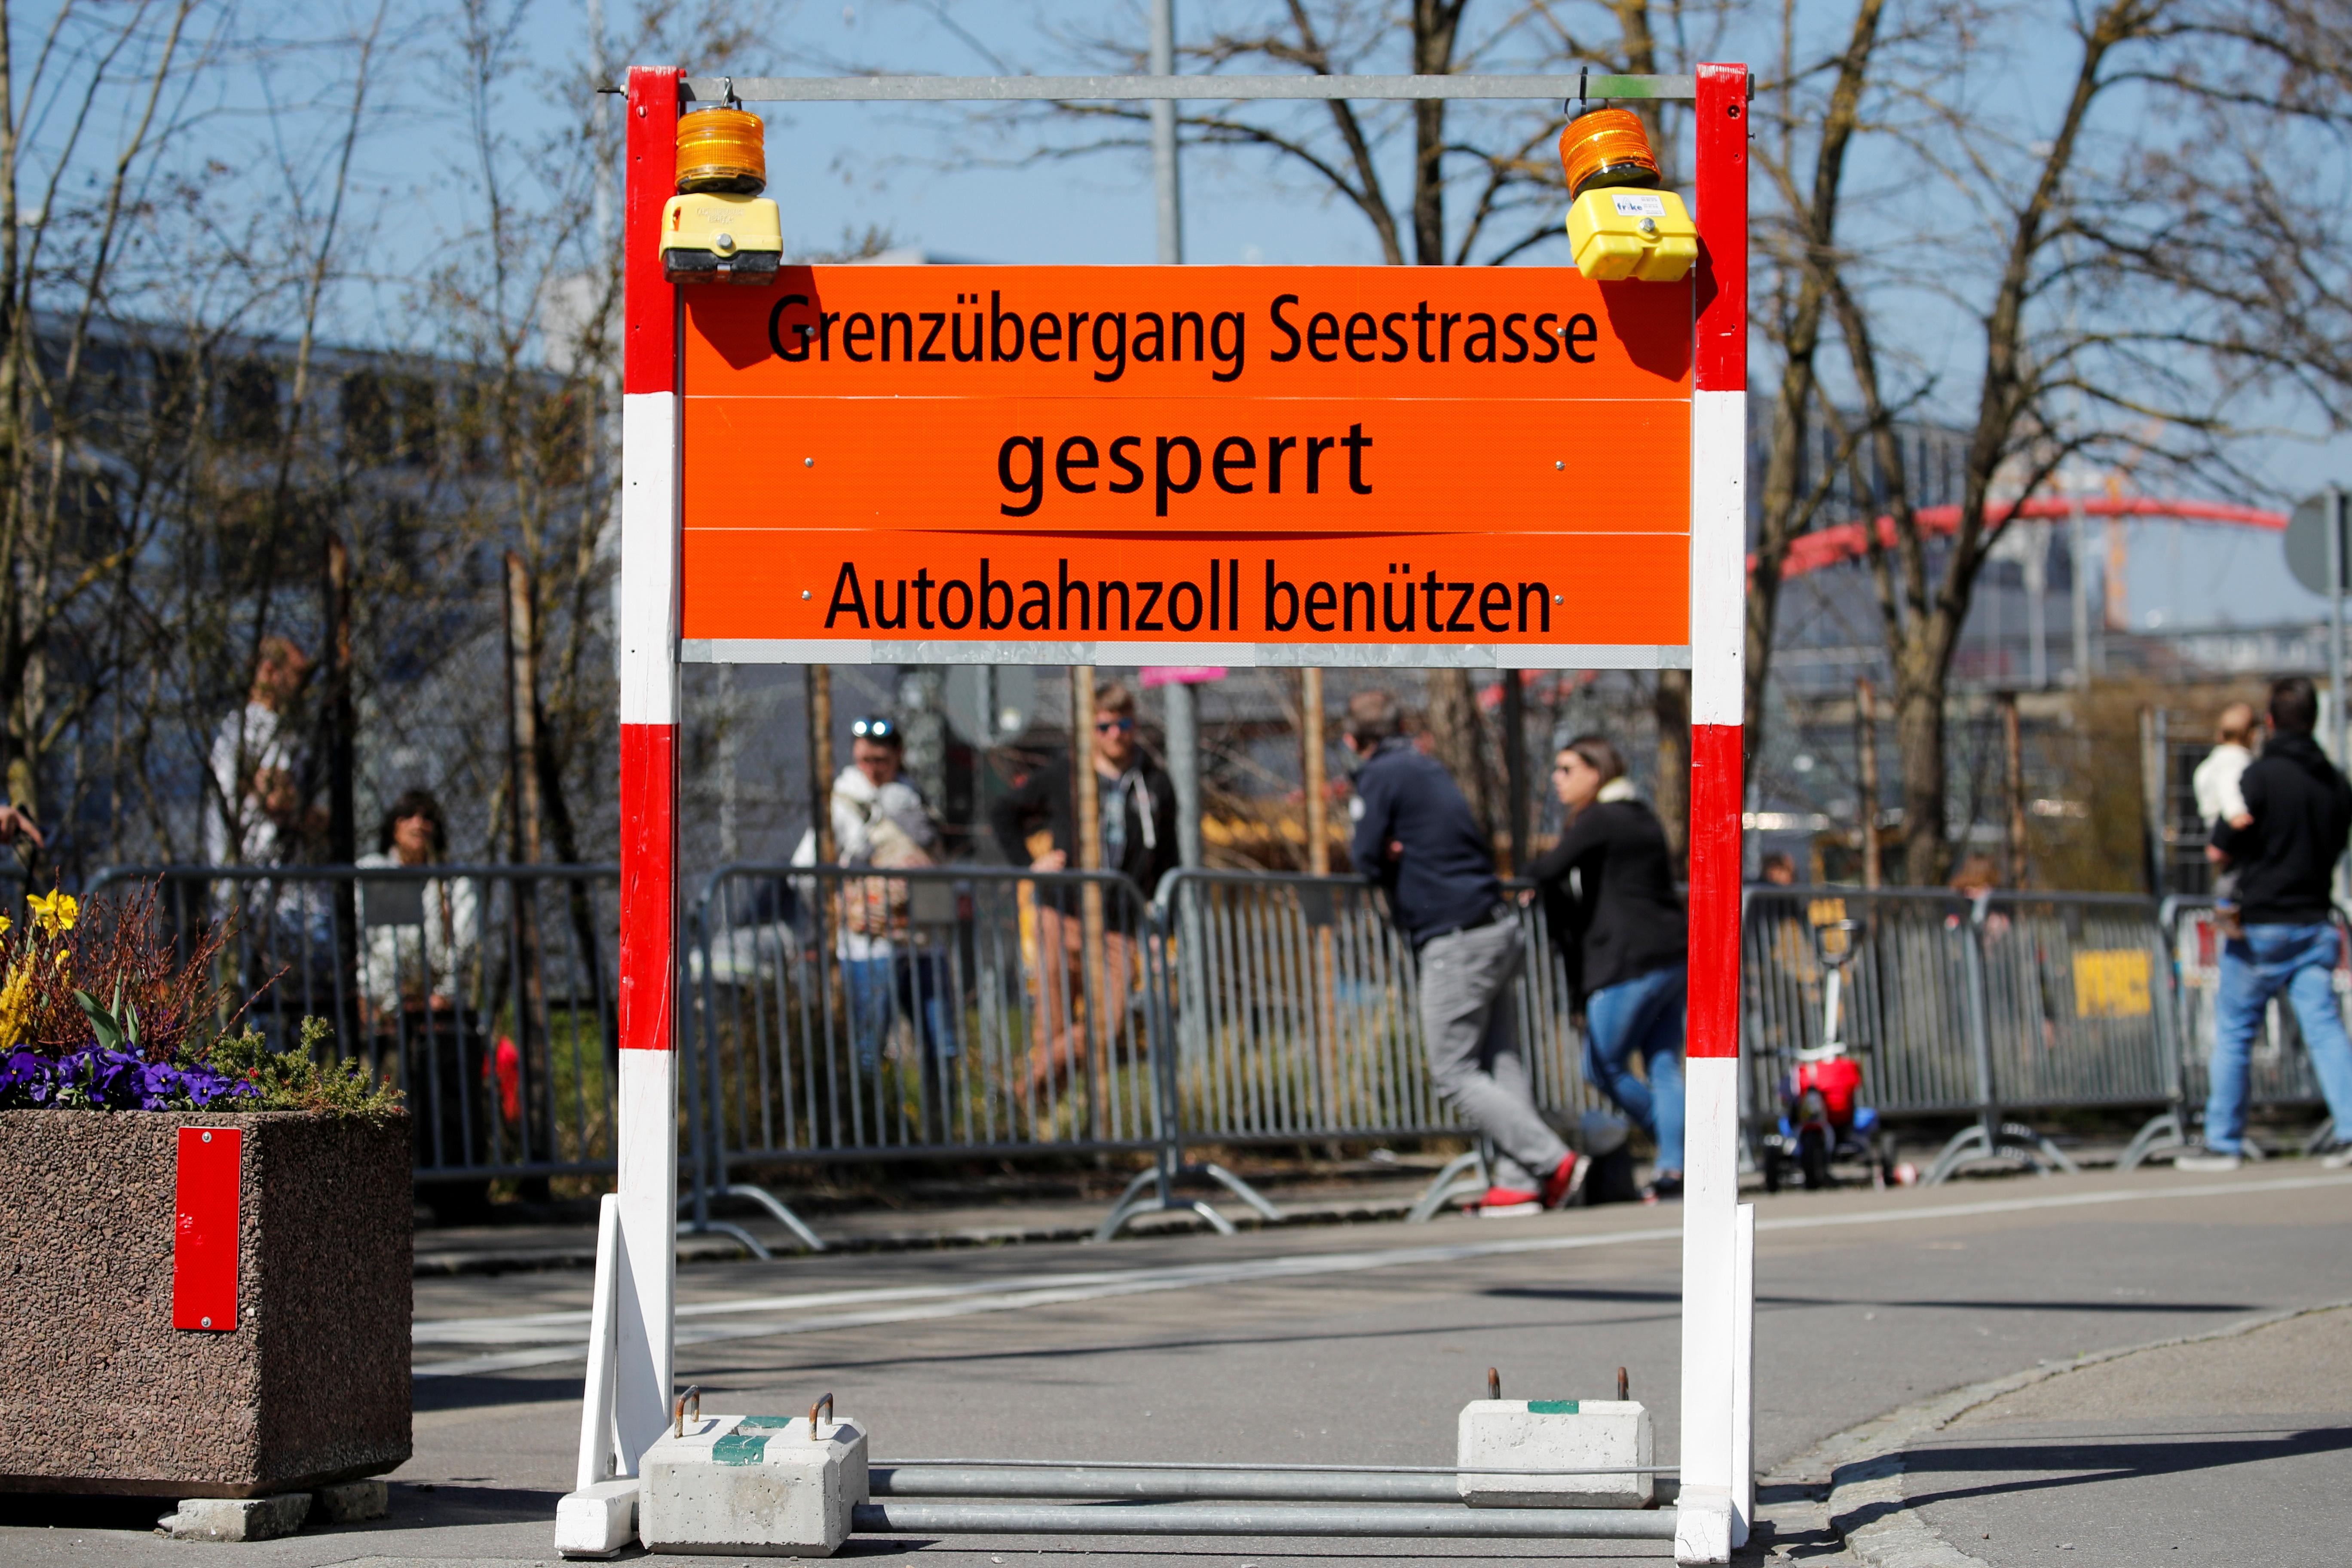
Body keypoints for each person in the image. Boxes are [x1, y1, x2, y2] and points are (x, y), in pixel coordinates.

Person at [1345, 689, 1584, 1214]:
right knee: (1501, 1060)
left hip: (1452, 936)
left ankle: (1549, 1158)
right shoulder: (1426, 768)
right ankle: (1521, 1181)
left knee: (1453, 1071)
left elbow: (1363, 855)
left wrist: (1387, 849)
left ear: (1353, 741)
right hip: (1493, 923)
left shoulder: (1380, 776)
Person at [2180, 677, 2352, 1170]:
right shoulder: (2336, 783)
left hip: (2261, 926)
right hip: (2316, 921)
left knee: (2235, 1032)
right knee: (2324, 1029)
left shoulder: (2259, 778)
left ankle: (2223, 1141)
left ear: (2270, 722)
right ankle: (2349, 1129)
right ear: (2315, 720)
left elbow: (2219, 846)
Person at [991, 681, 1177, 1101]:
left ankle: (1022, 1090)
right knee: (1053, 1018)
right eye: (1106, 726)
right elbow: (1003, 811)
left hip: (1118, 923)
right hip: (1062, 913)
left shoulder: (1156, 785)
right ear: (1090, 728)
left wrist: (1160, 929)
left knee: (1108, 1024)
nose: (1116, 734)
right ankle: (1045, 1122)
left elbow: (1169, 860)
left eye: (1124, 724)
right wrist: (1029, 865)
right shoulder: (1065, 776)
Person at [1528, 736, 1687, 1203]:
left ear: (1596, 773)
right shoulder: (1641, 816)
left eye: (1567, 769)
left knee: (1601, 1064)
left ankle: (1688, 1148)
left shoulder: (1600, 819)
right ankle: (1676, 1168)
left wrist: (1520, 881)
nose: (1557, 780)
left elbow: (1548, 868)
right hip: (1673, 955)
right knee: (1662, 1064)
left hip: (1630, 960)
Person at [829, 716, 956, 1077]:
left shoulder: (915, 799)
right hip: (867, 944)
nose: (872, 769)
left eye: (881, 761)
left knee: (943, 1048)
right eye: (865, 760)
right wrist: (838, 912)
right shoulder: (842, 803)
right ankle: (868, 1128)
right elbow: (806, 870)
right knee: (867, 1054)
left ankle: (940, 1129)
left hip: (923, 940)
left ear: (899, 755)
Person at [2194, 701, 2260, 937]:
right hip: (2229, 824)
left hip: (2213, 822)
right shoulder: (2237, 760)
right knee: (2236, 872)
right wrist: (2236, 813)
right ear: (2251, 735)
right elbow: (2231, 788)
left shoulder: (2214, 760)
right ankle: (2226, 911)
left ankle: (2226, 908)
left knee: (2229, 872)